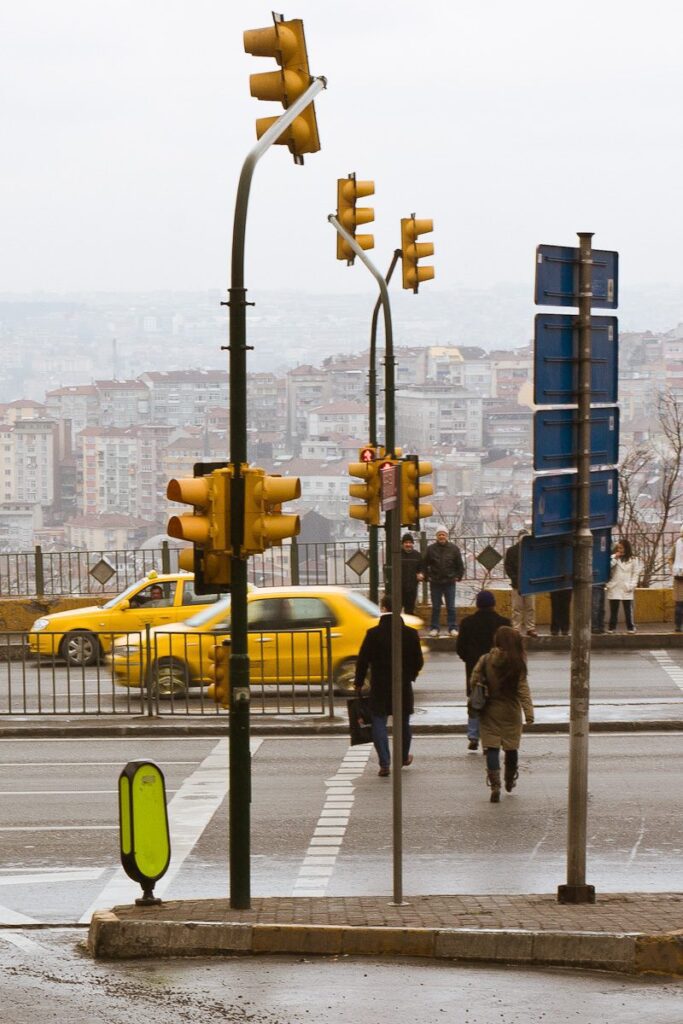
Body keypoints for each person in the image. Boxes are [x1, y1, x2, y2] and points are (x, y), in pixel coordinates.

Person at [354, 594, 424, 777]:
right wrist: (411, 675)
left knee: (378, 720)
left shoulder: (373, 634)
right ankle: (402, 757)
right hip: (403, 683)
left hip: (380, 684)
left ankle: (384, 763)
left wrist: (359, 682)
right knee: (403, 722)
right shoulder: (410, 633)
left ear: (382, 608)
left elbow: (363, 660)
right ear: (400, 609)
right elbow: (418, 660)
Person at [468, 625, 535, 803]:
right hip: (511, 712)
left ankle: (495, 784)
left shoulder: (485, 660)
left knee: (492, 747)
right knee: (511, 747)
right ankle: (510, 779)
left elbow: (473, 680)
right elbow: (523, 690)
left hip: (489, 710)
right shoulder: (517, 663)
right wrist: (529, 712)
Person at [456, 590, 510, 752]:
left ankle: (473, 736)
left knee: (475, 700)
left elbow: (460, 648)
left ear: (478, 604)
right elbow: (509, 648)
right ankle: (489, 739)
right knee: (493, 703)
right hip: (497, 669)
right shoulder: (504, 623)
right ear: (493, 604)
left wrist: (469, 659)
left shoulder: (467, 623)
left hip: (474, 668)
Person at [424, 525, 464, 637]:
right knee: (436, 607)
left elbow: (459, 565)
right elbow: (424, 564)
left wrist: (458, 576)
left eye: (443, 534)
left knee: (451, 606)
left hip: (450, 582)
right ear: (436, 536)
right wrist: (428, 577)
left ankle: (452, 628)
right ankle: (434, 627)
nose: (442, 536)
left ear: (447, 536)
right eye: (439, 534)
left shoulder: (454, 549)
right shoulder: (430, 549)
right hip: (435, 582)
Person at [504, 528, 538, 638]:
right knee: (517, 607)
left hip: (529, 583)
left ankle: (530, 628)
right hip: (518, 583)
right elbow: (508, 567)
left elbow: (535, 566)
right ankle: (516, 629)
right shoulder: (512, 551)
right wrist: (514, 578)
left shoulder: (532, 550)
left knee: (530, 607)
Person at [606, 539, 640, 633]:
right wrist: (615, 559)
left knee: (628, 609)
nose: (619, 550)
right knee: (614, 610)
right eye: (618, 548)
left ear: (626, 548)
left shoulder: (633, 559)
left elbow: (635, 573)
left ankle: (630, 627)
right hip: (615, 585)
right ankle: (611, 628)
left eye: (621, 548)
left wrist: (632, 585)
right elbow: (607, 568)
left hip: (626, 586)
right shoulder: (613, 557)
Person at [399, 533, 424, 615]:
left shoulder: (417, 555)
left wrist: (421, 574)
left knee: (409, 610)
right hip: (399, 588)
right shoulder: (397, 555)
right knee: (397, 609)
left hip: (412, 587)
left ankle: (408, 626)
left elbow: (421, 568)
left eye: (410, 542)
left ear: (413, 544)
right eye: (406, 542)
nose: (408, 544)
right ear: (402, 544)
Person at [669, 526, 683, 632]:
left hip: (678, 575)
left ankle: (678, 626)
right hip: (679, 577)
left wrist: (672, 569)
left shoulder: (676, 544)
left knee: (679, 603)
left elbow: (670, 558)